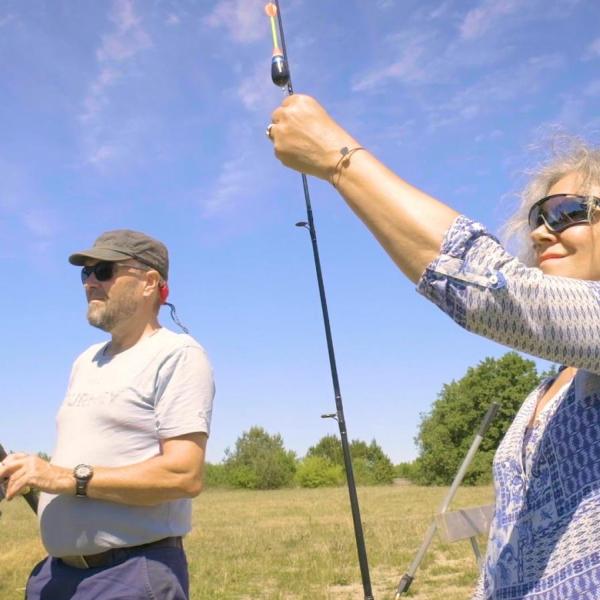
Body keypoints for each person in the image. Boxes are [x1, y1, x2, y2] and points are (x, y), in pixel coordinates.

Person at [267, 94, 600, 599]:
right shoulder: (546, 388)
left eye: (568, 211)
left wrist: (339, 160)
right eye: (537, 215)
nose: (539, 230)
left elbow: (493, 289)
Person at [0, 229, 214, 599]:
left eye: (104, 270)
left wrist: (64, 478)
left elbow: (183, 475)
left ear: (149, 282)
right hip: (56, 576)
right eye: (86, 273)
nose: (90, 283)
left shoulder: (177, 355)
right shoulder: (86, 361)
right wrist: (28, 473)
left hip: (129, 576)